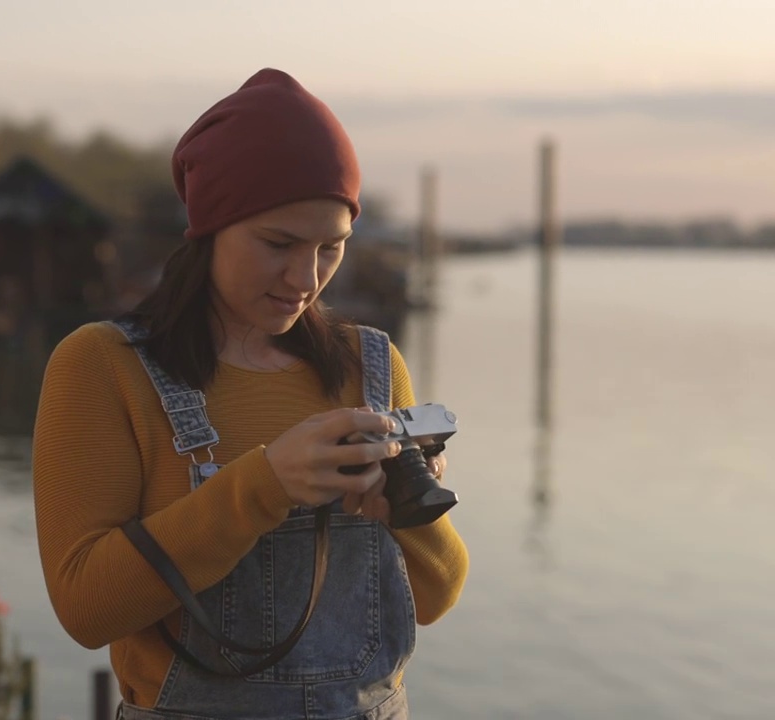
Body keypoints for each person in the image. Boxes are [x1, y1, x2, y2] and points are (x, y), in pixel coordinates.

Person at [32, 68, 468, 719]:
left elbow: (437, 596)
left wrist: (406, 509)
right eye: (278, 243)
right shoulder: (102, 366)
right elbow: (86, 609)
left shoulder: (370, 364)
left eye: (331, 247)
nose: (305, 277)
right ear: (209, 228)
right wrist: (265, 484)